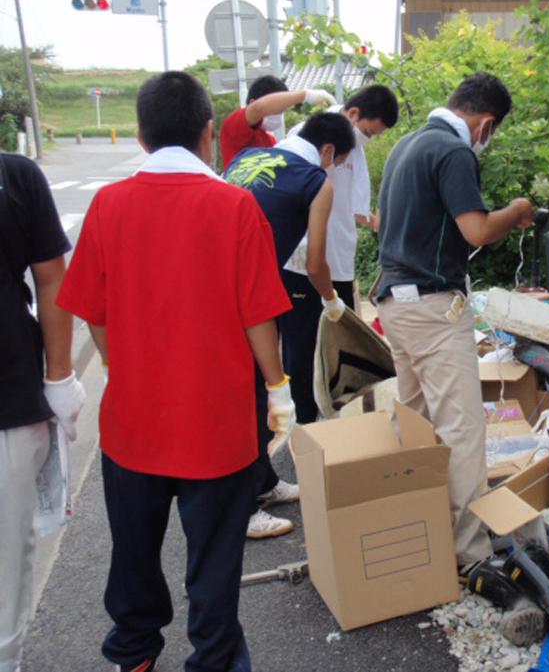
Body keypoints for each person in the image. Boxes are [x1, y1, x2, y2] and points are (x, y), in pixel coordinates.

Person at [57, 71, 295, 672]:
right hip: (216, 426)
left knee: (133, 554)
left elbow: (94, 311)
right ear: (209, 134)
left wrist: (119, 365)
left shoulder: (108, 205)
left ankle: (134, 654)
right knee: (214, 560)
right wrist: (277, 389)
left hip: (133, 423)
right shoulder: (234, 206)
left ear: (139, 136)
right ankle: (213, 661)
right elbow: (258, 316)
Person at [375, 72, 534, 568]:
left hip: (393, 304)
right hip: (431, 308)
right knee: (462, 431)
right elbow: (477, 230)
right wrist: (516, 211)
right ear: (485, 123)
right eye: (493, 133)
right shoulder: (453, 151)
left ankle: (419, 533)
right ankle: (469, 553)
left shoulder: (407, 144)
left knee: (418, 426)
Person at [226, 111, 356, 539]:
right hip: (238, 296)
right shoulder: (314, 181)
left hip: (218, 283)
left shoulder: (246, 157)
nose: (332, 172)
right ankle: (241, 508)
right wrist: (332, 299)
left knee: (253, 391)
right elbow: (316, 260)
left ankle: (263, 482)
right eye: (335, 164)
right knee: (245, 396)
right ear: (328, 151)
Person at [0, 153, 84, 672]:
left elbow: (52, 277)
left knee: (8, 551)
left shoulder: (15, 176)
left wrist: (60, 375)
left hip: (9, 393)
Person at [282, 84, 399, 423]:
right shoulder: (310, 137)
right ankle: (303, 420)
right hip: (304, 261)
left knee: (342, 340)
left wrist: (378, 222)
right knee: (303, 344)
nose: (368, 140)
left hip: (339, 259)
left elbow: (355, 204)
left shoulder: (353, 148)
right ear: (352, 114)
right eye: (368, 131)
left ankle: (336, 413)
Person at [219, 74, 336, 171]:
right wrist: (306, 95)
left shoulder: (270, 140)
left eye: (282, 111)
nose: (279, 115)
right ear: (252, 102)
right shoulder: (234, 127)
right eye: (278, 110)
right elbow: (258, 109)